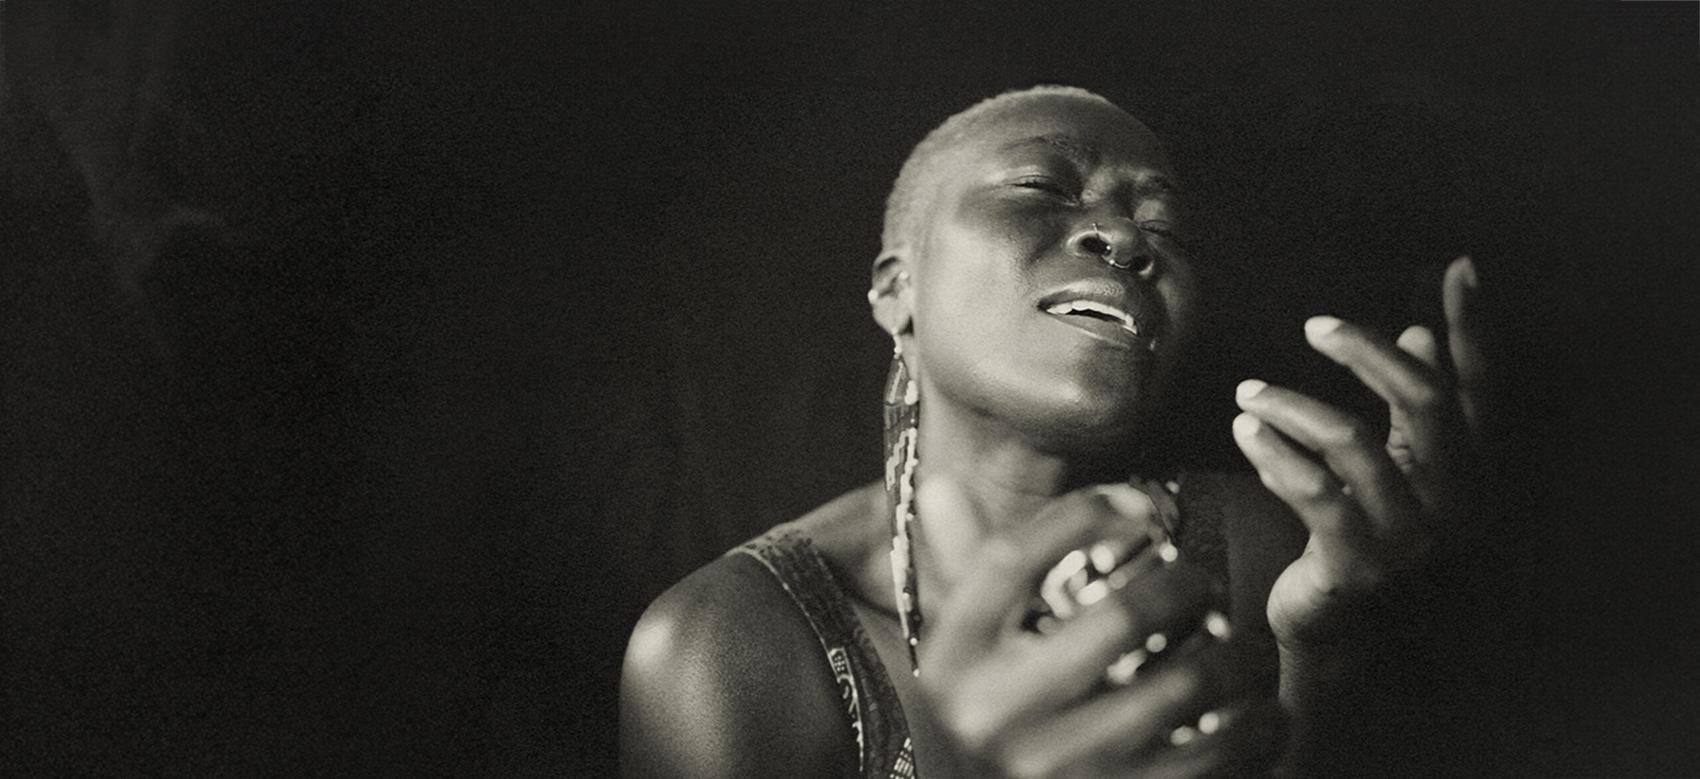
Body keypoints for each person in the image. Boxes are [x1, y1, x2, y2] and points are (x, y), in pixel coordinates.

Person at [619, 85, 1490, 778]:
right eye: (1040, 188)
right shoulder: (727, 646)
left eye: (1164, 228)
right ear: (896, 288)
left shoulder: (1269, 552)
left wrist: (1325, 656)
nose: (1125, 237)